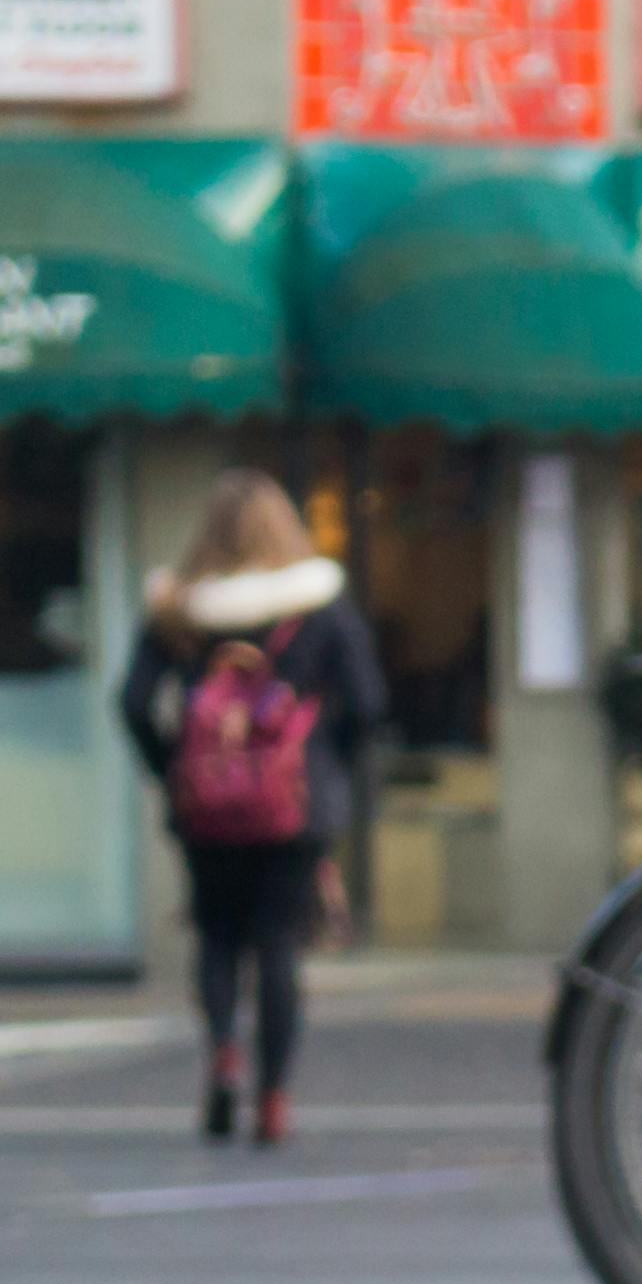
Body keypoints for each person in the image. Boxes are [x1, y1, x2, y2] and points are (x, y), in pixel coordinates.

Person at [120, 468, 385, 1146]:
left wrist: (170, 766)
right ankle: (272, 1098)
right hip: (292, 807)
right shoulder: (318, 606)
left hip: (205, 806)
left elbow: (131, 701)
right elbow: (367, 704)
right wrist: (328, 770)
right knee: (277, 945)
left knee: (215, 936)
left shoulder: (179, 608)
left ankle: (222, 1056)